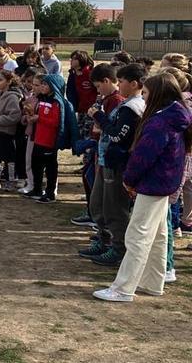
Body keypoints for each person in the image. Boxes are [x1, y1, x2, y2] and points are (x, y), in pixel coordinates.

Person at [94, 73, 192, 302]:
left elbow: (143, 156)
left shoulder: (159, 122)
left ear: (157, 94)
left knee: (137, 234)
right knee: (158, 235)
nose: (143, 98)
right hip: (164, 182)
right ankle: (152, 281)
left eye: (146, 93)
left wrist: (130, 178)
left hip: (153, 183)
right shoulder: (174, 118)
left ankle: (123, 288)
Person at [81, 63, 145, 267]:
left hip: (118, 164)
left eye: (123, 81)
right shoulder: (126, 104)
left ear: (134, 84)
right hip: (107, 160)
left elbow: (118, 135)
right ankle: (105, 240)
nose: (120, 84)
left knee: (114, 208)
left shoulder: (131, 107)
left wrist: (98, 117)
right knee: (98, 203)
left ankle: (118, 249)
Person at [24, 73, 78, 203]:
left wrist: (39, 118)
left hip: (49, 141)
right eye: (41, 84)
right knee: (35, 164)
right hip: (38, 138)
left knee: (50, 167)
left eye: (45, 84)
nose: (42, 87)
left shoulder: (56, 102)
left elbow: (55, 122)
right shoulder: (43, 99)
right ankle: (37, 189)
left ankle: (50, 192)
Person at [0, 70, 23, 189]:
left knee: (9, 157)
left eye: (1, 80)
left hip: (6, 132)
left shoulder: (12, 97)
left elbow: (15, 116)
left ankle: (10, 180)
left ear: (9, 81)